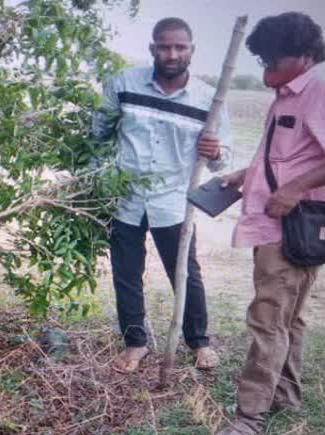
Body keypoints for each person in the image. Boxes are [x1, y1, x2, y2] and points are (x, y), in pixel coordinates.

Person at [204, 12, 325, 435]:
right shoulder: (289, 93)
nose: (264, 69)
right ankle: (285, 396)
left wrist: (295, 190)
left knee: (267, 320)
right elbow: (292, 157)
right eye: (261, 58)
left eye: (273, 59)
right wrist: (244, 175)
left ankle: (248, 420)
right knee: (288, 318)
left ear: (302, 57)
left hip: (291, 228)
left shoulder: (322, 90)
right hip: (282, 224)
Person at [93, 17, 232, 373]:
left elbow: (222, 162)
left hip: (173, 202)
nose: (172, 54)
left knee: (185, 273)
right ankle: (135, 343)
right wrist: (100, 181)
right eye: (164, 46)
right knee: (126, 273)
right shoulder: (123, 84)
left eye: (179, 47)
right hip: (125, 199)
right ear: (153, 48)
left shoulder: (209, 100)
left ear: (191, 51)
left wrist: (215, 152)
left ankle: (199, 343)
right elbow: (99, 133)